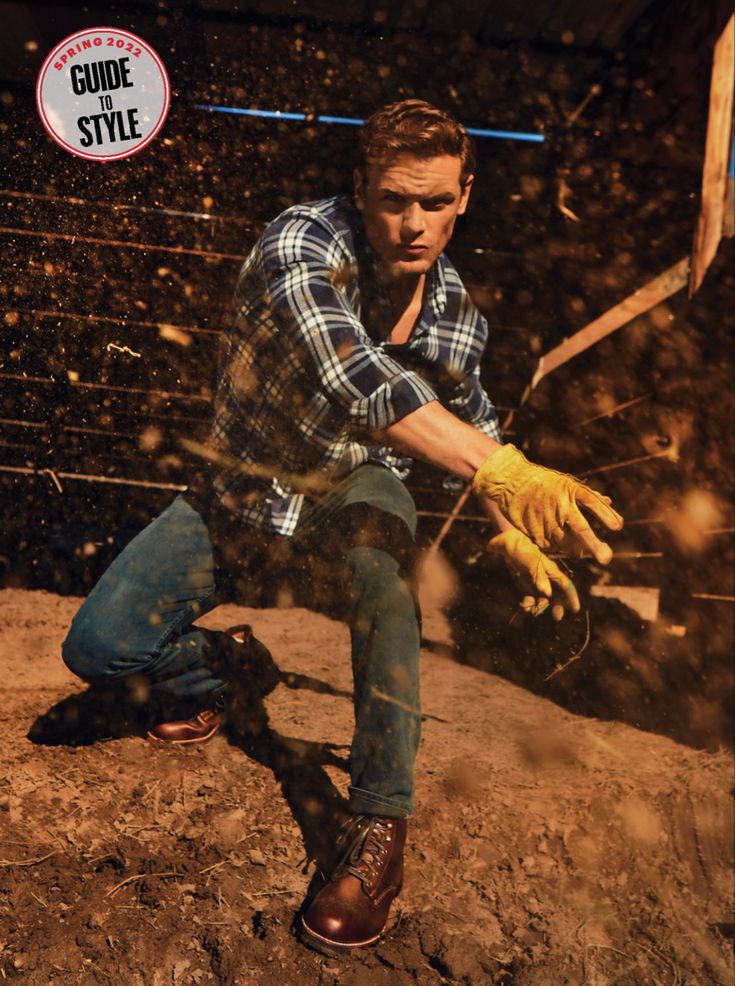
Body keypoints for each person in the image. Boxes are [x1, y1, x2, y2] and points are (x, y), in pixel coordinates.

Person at [60, 99, 623, 957]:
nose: (412, 223)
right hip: (246, 479)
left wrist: (508, 515)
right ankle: (224, 667)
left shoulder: (458, 316)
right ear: (360, 189)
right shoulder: (300, 244)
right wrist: (495, 467)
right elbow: (354, 377)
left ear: (464, 196)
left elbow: (477, 421)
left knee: (387, 587)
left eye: (433, 202)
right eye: (394, 198)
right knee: (97, 651)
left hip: (355, 485)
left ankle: (376, 830)